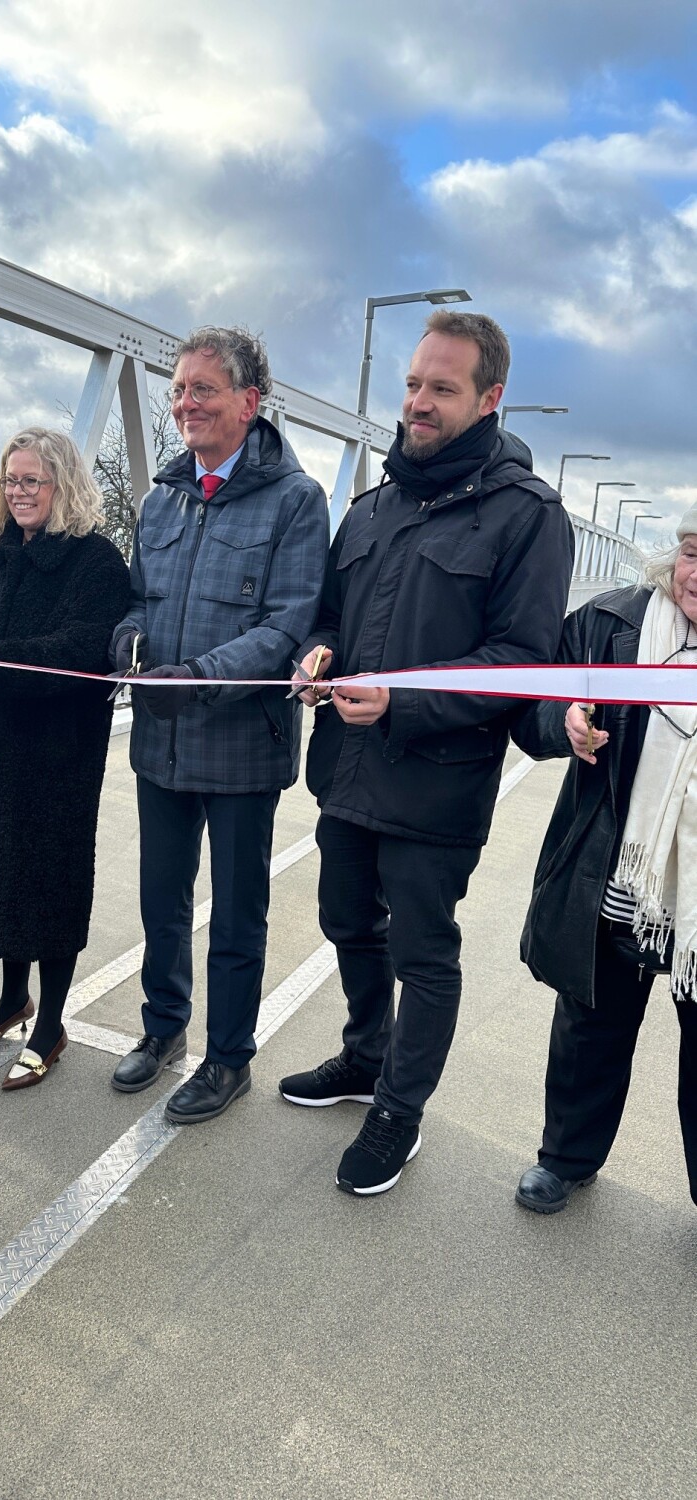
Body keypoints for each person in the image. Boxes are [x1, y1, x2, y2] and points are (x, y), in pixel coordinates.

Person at [281, 309, 574, 1196]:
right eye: (412, 383)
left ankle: (397, 1115)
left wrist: (401, 698)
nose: (418, 402)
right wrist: (318, 652)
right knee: (342, 920)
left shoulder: (528, 517)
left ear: (489, 399)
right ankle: (365, 1055)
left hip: (436, 784)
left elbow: (520, 664)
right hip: (347, 770)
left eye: (441, 388)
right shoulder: (370, 507)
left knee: (422, 953)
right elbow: (331, 611)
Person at [109, 326, 328, 1124]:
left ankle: (227, 1058)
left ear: (248, 400)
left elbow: (286, 624)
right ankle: (162, 1028)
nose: (184, 403)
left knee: (236, 916)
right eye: (176, 390)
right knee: (159, 902)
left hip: (241, 745)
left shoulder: (296, 500)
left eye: (202, 388)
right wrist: (129, 644)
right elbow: (134, 600)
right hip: (158, 743)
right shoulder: (160, 496)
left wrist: (199, 678)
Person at [512, 506, 697, 1214]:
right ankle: (565, 1159)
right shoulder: (611, 625)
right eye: (689, 553)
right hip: (614, 872)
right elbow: (532, 705)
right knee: (590, 1025)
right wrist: (561, 721)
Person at [0, 429, 130, 1087]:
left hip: (55, 753)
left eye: (32, 481)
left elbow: (87, 647)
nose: (18, 492)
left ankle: (50, 1024)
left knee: (47, 882)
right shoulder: (0, 554)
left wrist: (3, 663)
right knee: (0, 875)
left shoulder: (96, 562)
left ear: (63, 487)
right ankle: (9, 1000)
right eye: (10, 480)